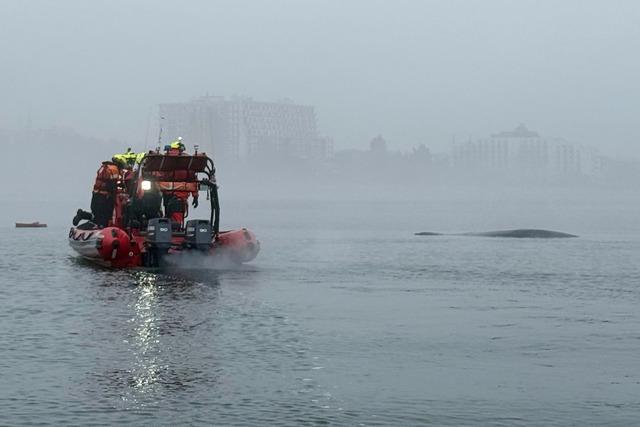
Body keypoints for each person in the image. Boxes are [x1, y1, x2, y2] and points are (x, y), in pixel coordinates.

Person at [73, 160, 121, 227]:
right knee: (104, 219)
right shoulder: (114, 169)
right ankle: (101, 226)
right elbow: (112, 185)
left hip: (96, 195)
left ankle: (82, 214)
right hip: (105, 197)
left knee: (95, 216)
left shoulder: (104, 167)